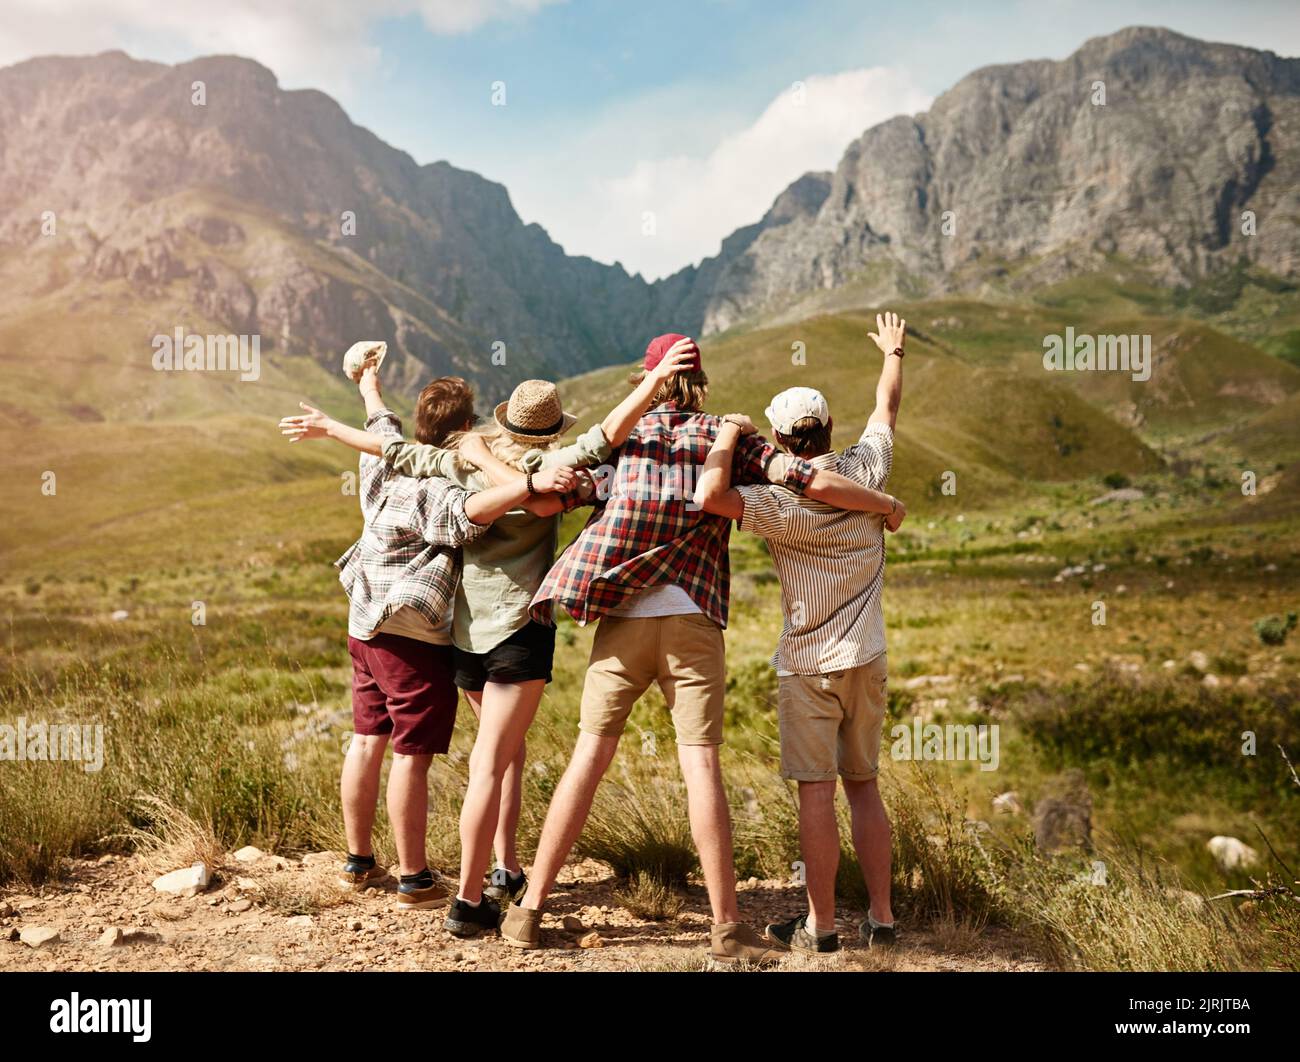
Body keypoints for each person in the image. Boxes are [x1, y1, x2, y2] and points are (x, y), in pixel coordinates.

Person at [501, 332, 900, 963]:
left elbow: (562, 492)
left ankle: (528, 911)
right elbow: (806, 481)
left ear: (648, 376)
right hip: (694, 619)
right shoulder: (730, 439)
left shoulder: (624, 435)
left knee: (587, 759)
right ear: (703, 383)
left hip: (622, 621)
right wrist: (881, 503)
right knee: (702, 767)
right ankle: (725, 928)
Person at [281, 339, 699, 936]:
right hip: (519, 631)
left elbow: (394, 447)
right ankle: (472, 897)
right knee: (492, 763)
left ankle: (495, 871)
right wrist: (653, 381)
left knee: (496, 755)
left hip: (464, 634)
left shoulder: (466, 461)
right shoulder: (556, 475)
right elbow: (608, 433)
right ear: (551, 429)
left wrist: (343, 416)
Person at [284, 361, 575, 910]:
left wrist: (367, 382)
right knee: (412, 754)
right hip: (411, 634)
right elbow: (472, 513)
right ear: (466, 429)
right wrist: (528, 484)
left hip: (363, 622)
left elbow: (379, 424)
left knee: (366, 739)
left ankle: (358, 861)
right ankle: (414, 878)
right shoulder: (439, 487)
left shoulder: (382, 459)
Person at [693, 311, 908, 953]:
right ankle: (884, 918)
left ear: (783, 442)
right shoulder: (868, 473)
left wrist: (730, 437)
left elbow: (709, 496)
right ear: (829, 430)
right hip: (866, 655)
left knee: (816, 796)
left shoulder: (774, 503)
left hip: (807, 663)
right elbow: (885, 410)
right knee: (864, 786)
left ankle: (823, 929)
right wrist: (893, 352)